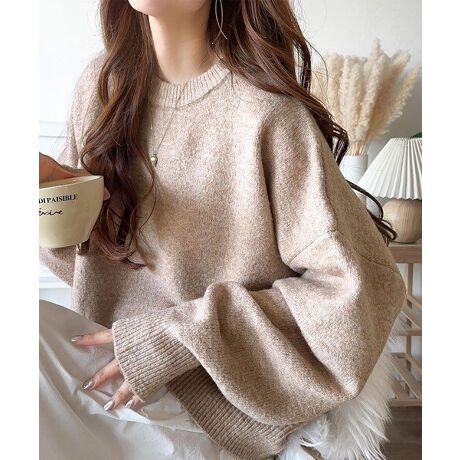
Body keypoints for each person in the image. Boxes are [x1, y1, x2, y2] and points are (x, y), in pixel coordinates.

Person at [39, 1, 407, 459]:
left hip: (214, 407)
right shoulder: (102, 87)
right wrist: (51, 202)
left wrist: (179, 336)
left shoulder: (268, 114)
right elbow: (78, 268)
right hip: (107, 382)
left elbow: (358, 295)